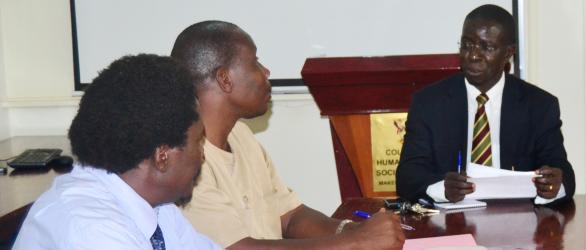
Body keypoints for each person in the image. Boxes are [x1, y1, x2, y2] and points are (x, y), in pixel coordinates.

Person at [171, 21, 404, 249]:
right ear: (225, 79)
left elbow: (291, 216)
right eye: (255, 63)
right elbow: (239, 248)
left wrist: (352, 229)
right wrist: (358, 242)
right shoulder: (184, 160)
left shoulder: (241, 135)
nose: (266, 71)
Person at [14, 54, 219, 249]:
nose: (202, 156)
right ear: (162, 156)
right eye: (198, 142)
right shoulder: (92, 230)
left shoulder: (158, 209)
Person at [396, 4, 575, 205]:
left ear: (509, 53)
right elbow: (407, 176)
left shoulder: (539, 105)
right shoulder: (429, 103)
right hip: (450, 223)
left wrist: (553, 186)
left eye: (487, 47)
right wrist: (442, 189)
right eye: (467, 45)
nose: (473, 56)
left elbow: (562, 172)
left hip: (519, 223)